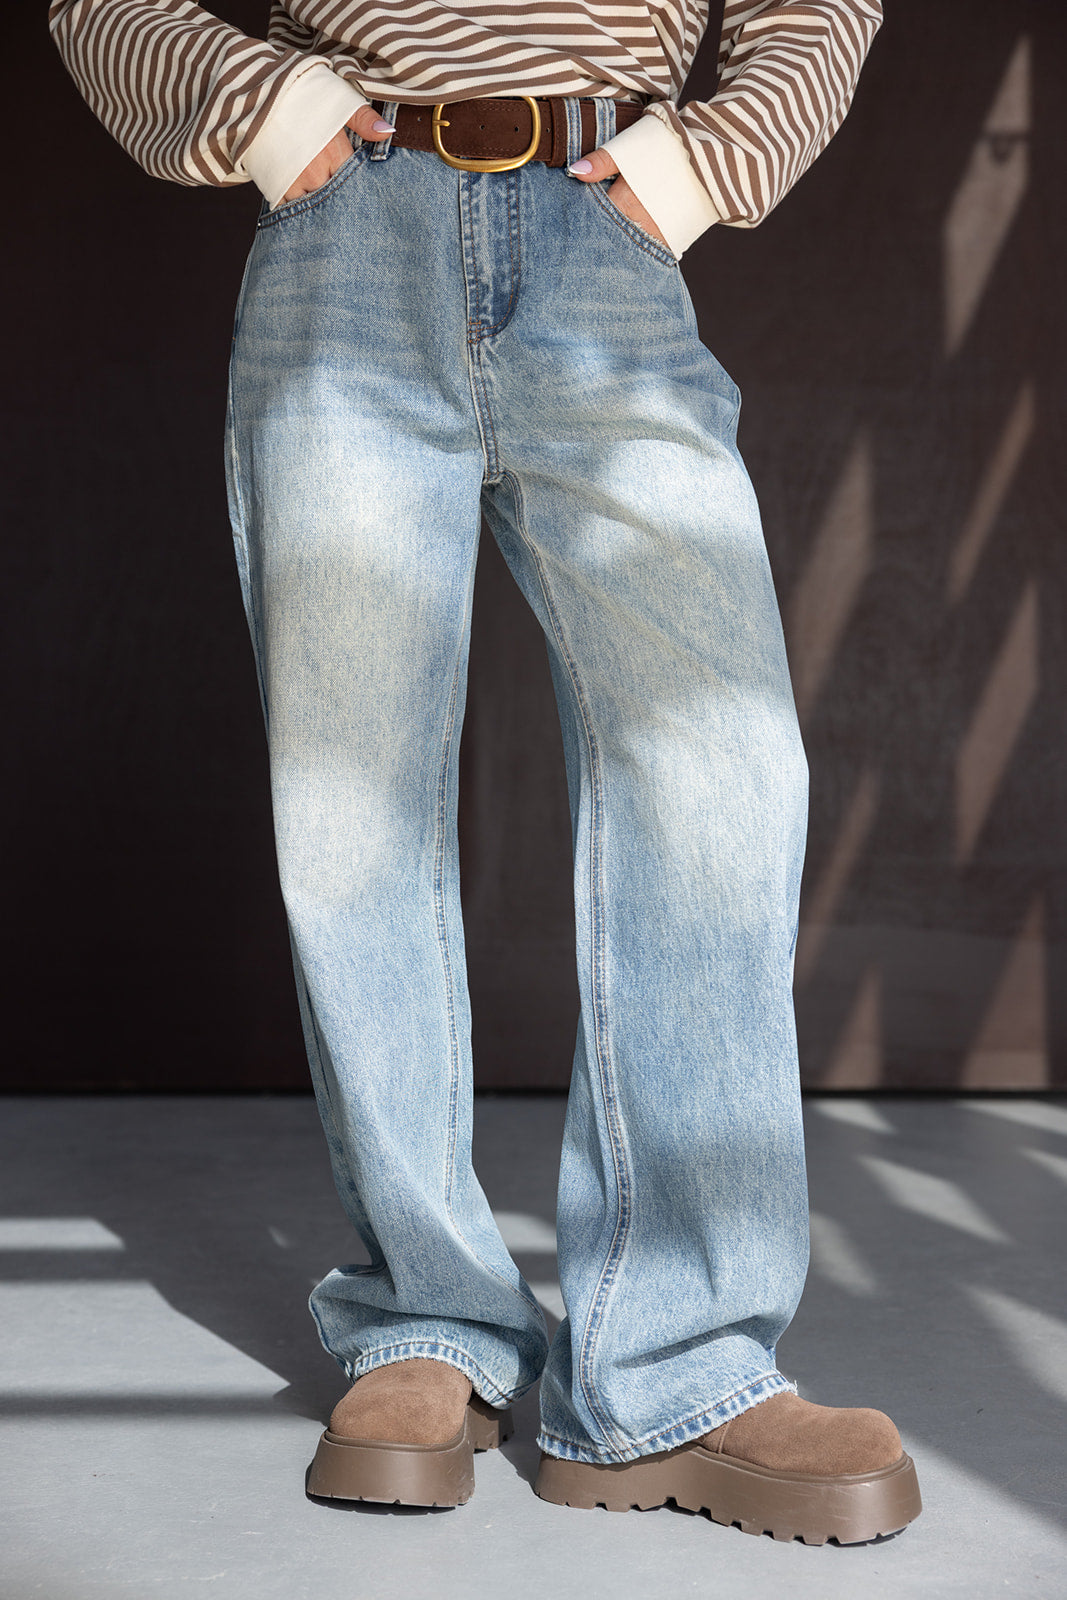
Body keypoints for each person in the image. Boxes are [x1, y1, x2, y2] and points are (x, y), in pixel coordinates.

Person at [49, 0, 921, 1546]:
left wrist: (704, 162)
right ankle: (425, 1317)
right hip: (347, 238)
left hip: (607, 232)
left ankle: (681, 1367)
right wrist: (264, 110)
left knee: (719, 772)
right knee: (353, 803)